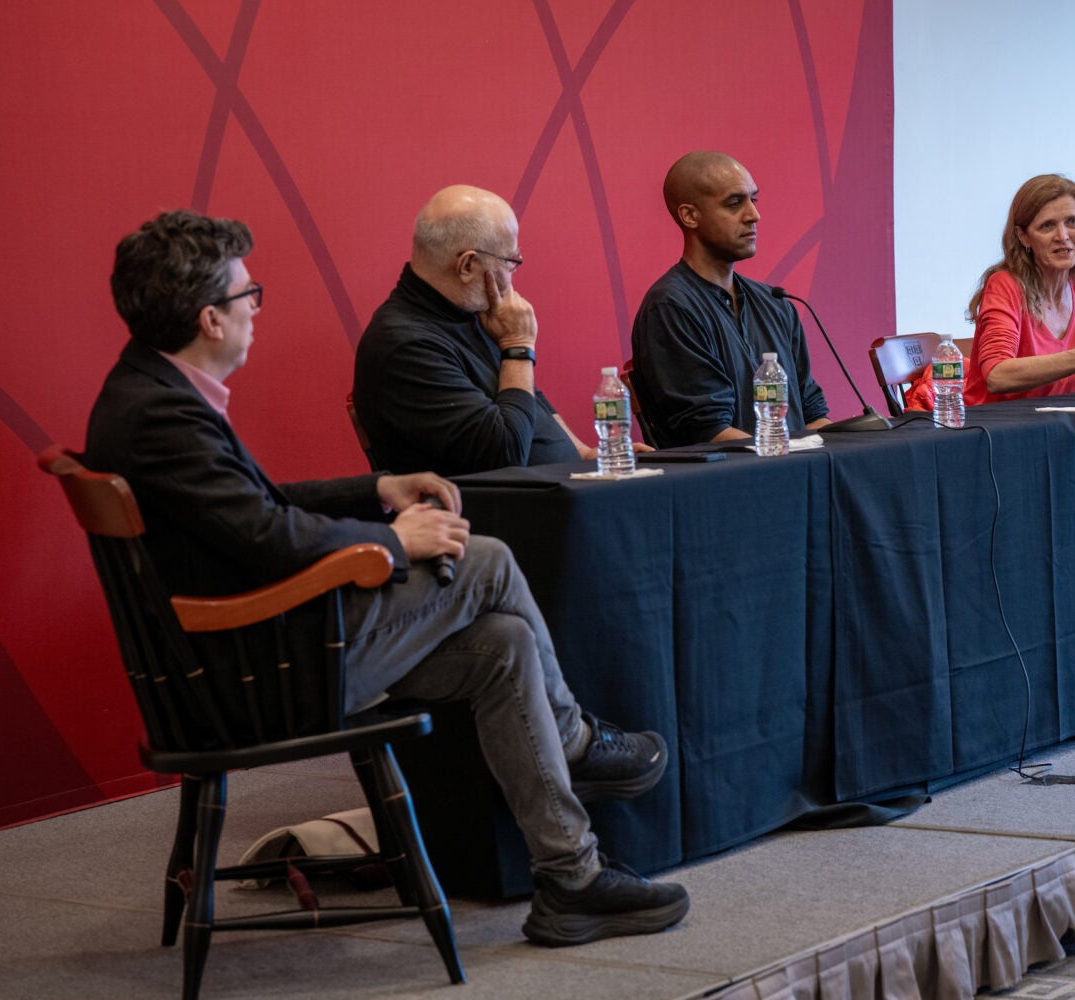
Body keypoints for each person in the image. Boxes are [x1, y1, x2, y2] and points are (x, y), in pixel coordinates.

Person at [87, 209, 688, 947]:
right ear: (211, 319)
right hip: (251, 674)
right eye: (251, 296)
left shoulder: (149, 391)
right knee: (489, 559)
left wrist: (378, 490)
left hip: (249, 654)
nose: (257, 309)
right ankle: (573, 739)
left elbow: (254, 506)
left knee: (504, 645)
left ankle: (572, 878)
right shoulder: (160, 416)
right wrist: (393, 540)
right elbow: (267, 536)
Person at [354, 185, 643, 476]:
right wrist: (518, 346)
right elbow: (504, 456)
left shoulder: (464, 311)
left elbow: (524, 397)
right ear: (467, 265)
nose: (513, 276)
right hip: (492, 514)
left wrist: (581, 452)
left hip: (553, 492)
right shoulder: (405, 346)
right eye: (510, 261)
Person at [906, 173, 1075, 410]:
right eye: (1047, 226)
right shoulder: (1005, 286)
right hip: (997, 435)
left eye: (1072, 222)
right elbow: (997, 375)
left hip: (1066, 431)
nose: (1063, 236)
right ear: (1023, 237)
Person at [630, 151, 831, 448]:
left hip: (792, 471)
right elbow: (708, 431)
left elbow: (812, 411)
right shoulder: (671, 308)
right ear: (690, 216)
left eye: (754, 200)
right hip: (724, 484)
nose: (754, 215)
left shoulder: (775, 303)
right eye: (734, 203)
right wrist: (792, 458)